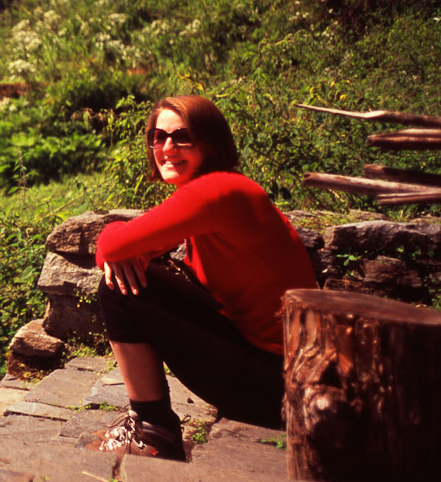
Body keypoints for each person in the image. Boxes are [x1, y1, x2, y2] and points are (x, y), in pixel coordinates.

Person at [88, 95, 317, 461]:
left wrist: (120, 243)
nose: (166, 147)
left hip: (280, 384)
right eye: (157, 136)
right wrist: (128, 251)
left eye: (182, 137)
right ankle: (150, 426)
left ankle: (153, 429)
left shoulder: (216, 192)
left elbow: (112, 245)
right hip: (277, 370)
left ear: (211, 143)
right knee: (129, 277)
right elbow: (120, 250)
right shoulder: (217, 193)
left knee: (118, 289)